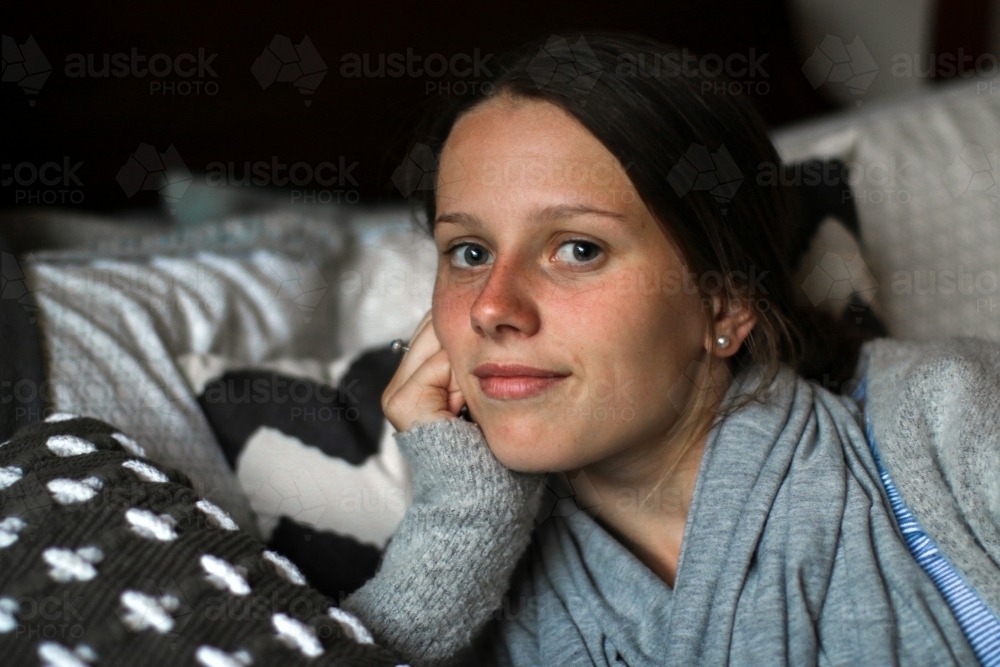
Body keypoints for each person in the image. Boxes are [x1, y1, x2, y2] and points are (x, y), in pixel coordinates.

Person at [342, 32, 1000, 667]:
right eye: (470, 252)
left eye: (579, 248)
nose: (491, 306)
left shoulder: (950, 415)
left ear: (724, 304)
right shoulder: (476, 585)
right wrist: (460, 520)